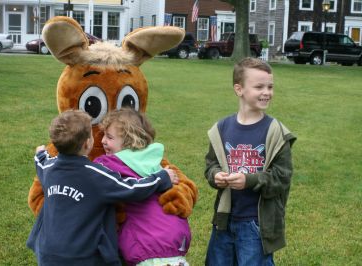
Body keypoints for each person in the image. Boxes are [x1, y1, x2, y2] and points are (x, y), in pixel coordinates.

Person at [26, 109, 178, 266]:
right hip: (82, 258)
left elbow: (40, 162)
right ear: (87, 143)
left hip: (47, 253)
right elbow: (131, 188)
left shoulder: (49, 169)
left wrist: (41, 152)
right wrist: (161, 178)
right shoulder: (96, 175)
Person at [204, 57, 296, 266]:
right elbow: (211, 164)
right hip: (224, 220)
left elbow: (282, 178)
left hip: (256, 223)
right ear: (239, 89)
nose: (267, 92)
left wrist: (250, 180)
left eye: (270, 86)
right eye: (259, 87)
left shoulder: (276, 132)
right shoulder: (221, 129)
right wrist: (215, 175)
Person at [93, 108, 191, 266]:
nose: (103, 140)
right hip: (175, 239)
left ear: (129, 139)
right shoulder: (153, 161)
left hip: (146, 246)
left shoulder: (108, 164)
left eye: (109, 137)